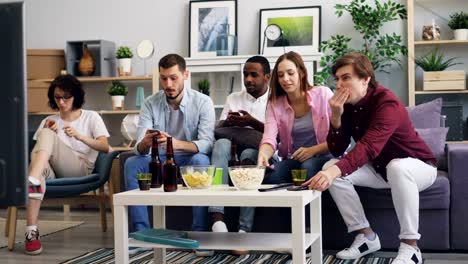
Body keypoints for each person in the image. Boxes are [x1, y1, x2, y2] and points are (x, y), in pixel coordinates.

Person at [305, 53, 436, 264]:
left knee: (397, 167)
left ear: (365, 78)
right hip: (381, 169)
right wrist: (336, 116)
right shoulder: (346, 106)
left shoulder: (387, 103)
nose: (339, 84)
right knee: (332, 166)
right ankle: (366, 236)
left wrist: (332, 172)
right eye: (337, 79)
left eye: (345, 77)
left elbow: (368, 147)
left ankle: (411, 248)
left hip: (418, 168)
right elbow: (338, 150)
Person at [124, 54, 215, 243]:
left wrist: (174, 143)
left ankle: (199, 232)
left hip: (188, 157)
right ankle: (141, 233)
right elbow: (139, 148)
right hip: (159, 157)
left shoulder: (203, 102)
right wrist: (145, 143)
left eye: (173, 78)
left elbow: (207, 143)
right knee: (132, 163)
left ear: (185, 75)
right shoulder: (150, 103)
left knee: (201, 161)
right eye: (163, 78)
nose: (168, 84)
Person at [26, 74, 110, 255]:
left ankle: (31, 179)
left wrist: (79, 136)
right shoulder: (49, 119)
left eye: (66, 97)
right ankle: (31, 233)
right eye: (57, 97)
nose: (62, 102)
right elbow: (39, 153)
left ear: (76, 97)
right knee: (45, 139)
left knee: (44, 141)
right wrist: (50, 133)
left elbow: (105, 147)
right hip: (51, 170)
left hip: (79, 168)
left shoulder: (91, 117)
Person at [208, 55, 271, 249]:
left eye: (254, 75)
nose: (248, 79)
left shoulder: (275, 100)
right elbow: (220, 130)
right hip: (232, 145)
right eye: (245, 74)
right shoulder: (233, 98)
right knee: (220, 145)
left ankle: (244, 231)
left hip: (258, 149)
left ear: (267, 77)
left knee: (249, 156)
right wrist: (229, 121)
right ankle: (218, 222)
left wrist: (251, 122)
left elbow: (276, 136)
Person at [258, 51, 333, 184]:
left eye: (290, 73)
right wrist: (263, 154)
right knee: (269, 175)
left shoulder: (323, 94)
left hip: (326, 155)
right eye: (280, 75)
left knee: (307, 169)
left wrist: (313, 150)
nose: (285, 79)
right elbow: (269, 137)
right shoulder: (275, 103)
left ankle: (309, 205)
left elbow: (341, 138)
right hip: (295, 159)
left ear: (301, 73)